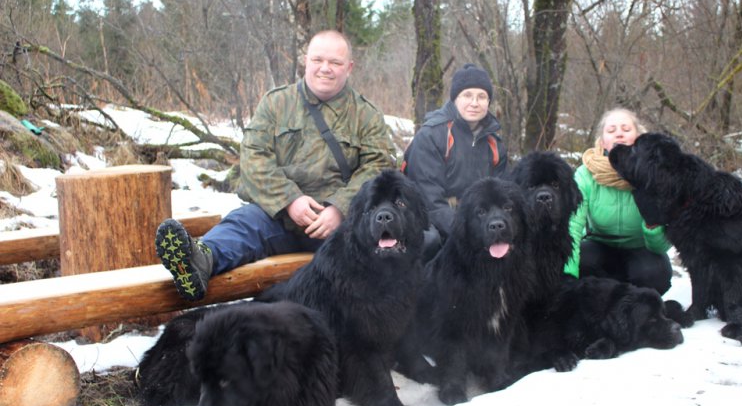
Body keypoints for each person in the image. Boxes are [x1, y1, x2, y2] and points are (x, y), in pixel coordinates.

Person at [156, 30, 396, 301]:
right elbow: (254, 158)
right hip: (277, 216)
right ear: (306, 60)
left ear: (349, 68)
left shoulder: (367, 116)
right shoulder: (276, 103)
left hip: (339, 227)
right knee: (243, 224)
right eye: (318, 60)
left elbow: (378, 167)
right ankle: (197, 262)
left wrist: (340, 208)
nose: (325, 69)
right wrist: (290, 200)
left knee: (360, 268)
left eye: (335, 63)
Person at [402, 63, 508, 256]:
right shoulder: (432, 135)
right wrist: (466, 231)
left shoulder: (495, 144)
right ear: (455, 98)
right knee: (430, 241)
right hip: (428, 217)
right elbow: (429, 200)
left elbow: (499, 197)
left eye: (482, 97)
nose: (474, 103)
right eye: (467, 95)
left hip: (477, 221)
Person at [564, 108, 672, 294]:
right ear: (603, 141)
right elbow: (572, 227)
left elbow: (662, 244)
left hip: (642, 249)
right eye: (611, 130)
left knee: (655, 274)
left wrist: (653, 225)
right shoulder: (585, 174)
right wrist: (568, 277)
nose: (619, 133)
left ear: (638, 136)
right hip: (599, 247)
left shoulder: (656, 172)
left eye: (626, 129)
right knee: (582, 262)